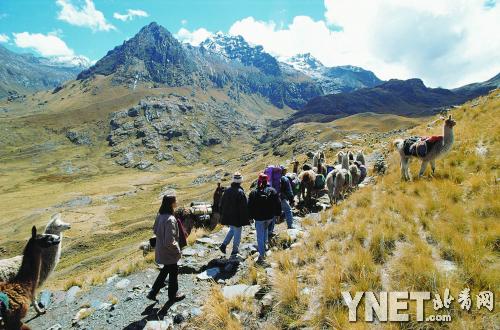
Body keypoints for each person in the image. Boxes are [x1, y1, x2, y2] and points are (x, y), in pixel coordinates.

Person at [147, 191, 185, 302]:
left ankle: (153, 292)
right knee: (173, 271)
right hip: (169, 252)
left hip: (160, 249)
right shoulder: (171, 219)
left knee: (166, 269)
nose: (176, 202)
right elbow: (170, 241)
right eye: (175, 201)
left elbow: (155, 230)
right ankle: (173, 295)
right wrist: (178, 251)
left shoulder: (160, 216)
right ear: (171, 203)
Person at [248, 173, 281, 265]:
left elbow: (249, 206)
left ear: (259, 181)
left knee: (259, 236)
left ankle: (262, 255)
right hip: (270, 217)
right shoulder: (273, 191)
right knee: (266, 228)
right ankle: (266, 244)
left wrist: (250, 217)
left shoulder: (253, 193)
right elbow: (278, 203)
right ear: (267, 181)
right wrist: (278, 215)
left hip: (259, 218)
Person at [219, 172, 249, 257]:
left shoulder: (227, 190)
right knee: (238, 234)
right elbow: (244, 206)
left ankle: (223, 245)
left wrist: (222, 215)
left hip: (228, 216)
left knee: (232, 230)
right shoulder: (240, 192)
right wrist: (247, 217)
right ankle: (235, 251)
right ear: (240, 181)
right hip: (237, 217)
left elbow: (221, 203)